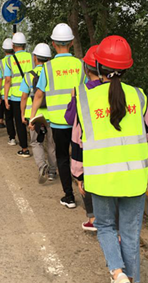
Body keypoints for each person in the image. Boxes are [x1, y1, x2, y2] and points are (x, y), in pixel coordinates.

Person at [72, 35, 148, 283]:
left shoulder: (85, 97)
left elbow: (78, 141)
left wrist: (78, 173)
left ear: (98, 66)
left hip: (100, 178)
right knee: (131, 231)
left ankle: (118, 274)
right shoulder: (138, 96)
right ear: (126, 68)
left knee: (106, 227)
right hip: (134, 177)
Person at [29, 23, 85, 209]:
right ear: (71, 43)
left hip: (58, 123)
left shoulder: (48, 68)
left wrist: (32, 117)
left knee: (62, 157)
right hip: (79, 121)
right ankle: (88, 198)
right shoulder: (81, 65)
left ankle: (69, 196)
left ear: (53, 44)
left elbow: (39, 95)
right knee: (82, 157)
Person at [66, 45, 99, 231]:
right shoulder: (121, 91)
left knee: (88, 182)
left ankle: (93, 218)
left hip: (88, 148)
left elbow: (71, 119)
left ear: (86, 69)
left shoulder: (81, 92)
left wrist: (77, 172)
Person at [19, 43, 58, 183]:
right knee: (52, 144)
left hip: (35, 115)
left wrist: (23, 114)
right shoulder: (52, 73)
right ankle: (52, 172)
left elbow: (24, 97)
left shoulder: (28, 76)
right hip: (52, 115)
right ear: (49, 59)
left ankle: (42, 165)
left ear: (35, 58)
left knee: (36, 142)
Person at [4, 32, 33, 157]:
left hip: (17, 96)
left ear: (13, 45)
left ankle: (24, 149)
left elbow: (7, 80)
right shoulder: (32, 57)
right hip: (32, 94)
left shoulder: (9, 60)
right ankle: (36, 144)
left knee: (20, 122)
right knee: (33, 118)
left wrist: (6, 97)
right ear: (25, 45)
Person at [0, 38, 17, 146]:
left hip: (6, 94)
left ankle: (12, 138)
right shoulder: (17, 60)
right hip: (19, 93)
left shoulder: (0, 63)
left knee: (8, 118)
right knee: (18, 117)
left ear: (4, 50)